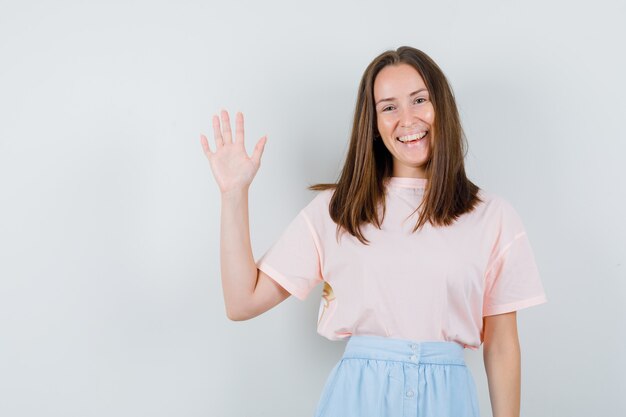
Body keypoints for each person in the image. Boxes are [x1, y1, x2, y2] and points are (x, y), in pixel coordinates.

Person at [200, 46, 548, 417]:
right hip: (357, 400)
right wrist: (234, 196)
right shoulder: (339, 210)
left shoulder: (492, 216)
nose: (407, 119)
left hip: (449, 401)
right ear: (374, 124)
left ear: (442, 107)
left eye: (419, 100)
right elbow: (242, 302)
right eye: (389, 107)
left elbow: (502, 344)